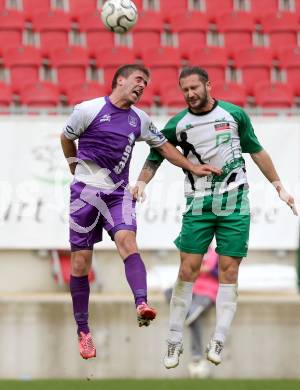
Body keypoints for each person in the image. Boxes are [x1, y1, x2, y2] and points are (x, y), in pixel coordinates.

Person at [132, 66, 298, 368]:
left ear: (208, 85)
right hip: (198, 204)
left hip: (235, 203)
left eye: (195, 88)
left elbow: (257, 151)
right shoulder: (178, 124)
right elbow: (157, 153)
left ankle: (219, 338)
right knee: (188, 269)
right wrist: (142, 182)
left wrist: (279, 188)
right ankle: (173, 339)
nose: (190, 94)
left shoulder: (233, 115)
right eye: (185, 90)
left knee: (229, 270)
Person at [60, 64, 220, 360]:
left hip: (118, 193)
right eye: (138, 80)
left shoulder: (140, 120)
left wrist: (192, 166)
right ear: (119, 80)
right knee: (80, 264)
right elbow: (66, 138)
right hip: (84, 194)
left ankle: (141, 304)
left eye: (145, 83)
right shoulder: (88, 110)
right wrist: (74, 167)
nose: (142, 86)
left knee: (128, 242)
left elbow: (165, 147)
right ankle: (83, 330)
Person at [164, 246, 218, 378]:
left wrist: (201, 269)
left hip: (206, 290)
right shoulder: (193, 251)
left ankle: (197, 357)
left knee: (195, 318)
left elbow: (217, 271)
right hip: (192, 288)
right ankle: (190, 311)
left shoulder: (216, 254)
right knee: (169, 292)